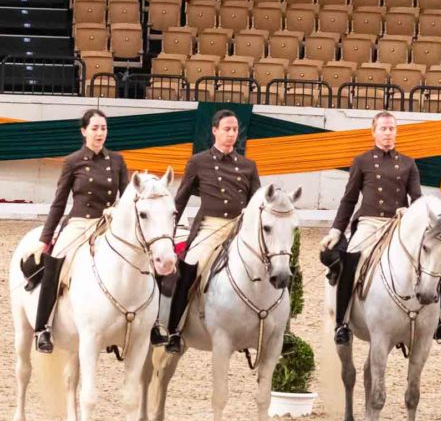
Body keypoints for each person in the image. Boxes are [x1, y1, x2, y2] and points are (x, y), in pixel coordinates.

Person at [321, 112, 441, 346]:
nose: (387, 133)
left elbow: (417, 198)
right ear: (373, 132)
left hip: (398, 225)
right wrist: (336, 230)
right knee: (351, 259)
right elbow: (349, 200)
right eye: (383, 129)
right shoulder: (361, 161)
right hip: (369, 224)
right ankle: (342, 322)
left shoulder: (408, 163)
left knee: (433, 261)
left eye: (391, 128)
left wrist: (411, 211)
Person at [17, 109, 128, 353]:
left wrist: (119, 212)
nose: (100, 133)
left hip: (108, 225)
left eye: (104, 128)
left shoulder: (117, 161)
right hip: (79, 223)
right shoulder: (73, 161)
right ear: (84, 131)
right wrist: (45, 240)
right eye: (95, 128)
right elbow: (58, 203)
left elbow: (128, 198)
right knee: (56, 264)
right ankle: (43, 327)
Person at [154, 109, 261, 354]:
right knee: (190, 267)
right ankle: (174, 330)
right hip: (210, 228)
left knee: (269, 265)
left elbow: (257, 203)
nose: (231, 134)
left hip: (240, 229)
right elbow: (178, 202)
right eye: (226, 129)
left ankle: (271, 329)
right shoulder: (198, 161)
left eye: (235, 130)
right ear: (214, 131)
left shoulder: (248, 166)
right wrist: (168, 237)